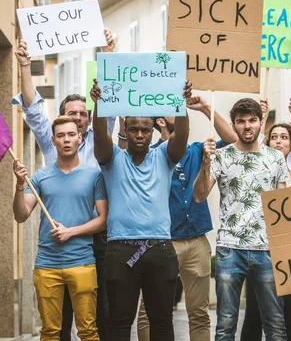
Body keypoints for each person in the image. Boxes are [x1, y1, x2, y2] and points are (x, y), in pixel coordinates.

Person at [12, 32, 115, 341]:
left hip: (95, 240)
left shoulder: (98, 140)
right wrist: (25, 66)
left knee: (98, 315)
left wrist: (106, 55)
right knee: (56, 324)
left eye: (83, 115)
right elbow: (33, 110)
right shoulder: (51, 145)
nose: (79, 120)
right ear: (59, 129)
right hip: (54, 250)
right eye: (72, 114)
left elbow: (106, 107)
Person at [91, 79, 191, 340]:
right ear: (125, 128)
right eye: (133, 129)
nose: (138, 134)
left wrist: (180, 104)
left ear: (152, 132)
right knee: (119, 323)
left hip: (159, 249)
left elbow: (182, 136)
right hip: (121, 249)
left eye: (145, 130)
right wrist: (99, 104)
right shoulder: (112, 159)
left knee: (161, 322)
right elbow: (101, 136)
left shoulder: (164, 156)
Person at [136, 96, 238, 341]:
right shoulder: (147, 156)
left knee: (199, 312)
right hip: (159, 241)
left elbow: (234, 141)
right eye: (175, 110)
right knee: (149, 312)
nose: (182, 113)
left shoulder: (195, 150)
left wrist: (205, 108)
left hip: (196, 241)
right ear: (161, 121)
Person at [193, 98, 289, 341]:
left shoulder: (275, 158)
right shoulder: (221, 156)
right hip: (229, 249)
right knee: (225, 325)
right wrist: (206, 163)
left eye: (252, 121)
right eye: (241, 121)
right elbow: (198, 195)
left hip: (267, 249)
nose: (247, 126)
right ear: (234, 126)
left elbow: (282, 205)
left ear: (260, 123)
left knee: (276, 324)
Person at [12, 116, 108, 340]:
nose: (66, 140)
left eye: (71, 135)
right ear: (53, 141)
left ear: (80, 139)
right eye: (61, 136)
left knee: (88, 331)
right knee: (50, 332)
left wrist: (71, 232)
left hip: (83, 262)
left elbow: (103, 220)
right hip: (47, 265)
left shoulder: (94, 176)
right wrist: (19, 185)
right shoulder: (40, 177)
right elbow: (20, 215)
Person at [241, 119, 291, 341]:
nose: (278, 141)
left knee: (290, 316)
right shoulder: (257, 170)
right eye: (274, 137)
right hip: (259, 250)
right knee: (254, 314)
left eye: (284, 137)